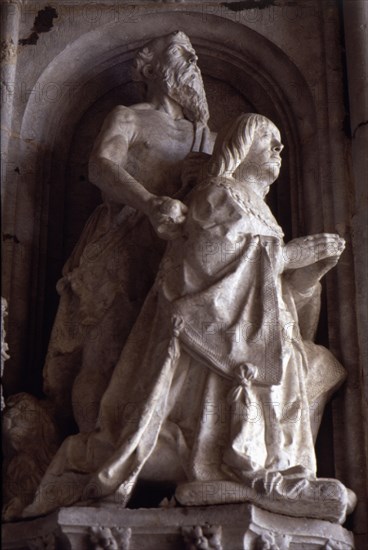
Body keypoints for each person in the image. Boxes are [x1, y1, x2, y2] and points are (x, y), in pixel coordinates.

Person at [23, 113, 355, 523]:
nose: (279, 150)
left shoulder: (262, 211)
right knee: (269, 369)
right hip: (213, 338)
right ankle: (245, 473)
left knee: (321, 367)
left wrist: (310, 271)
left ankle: (276, 470)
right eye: (269, 139)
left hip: (258, 334)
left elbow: (278, 292)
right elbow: (207, 263)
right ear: (242, 144)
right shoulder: (217, 193)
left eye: (281, 144)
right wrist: (287, 257)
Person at [42, 31, 214, 434]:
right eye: (181, 55)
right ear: (151, 68)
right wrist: (151, 202)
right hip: (121, 245)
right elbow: (101, 166)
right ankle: (91, 451)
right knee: (104, 352)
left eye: (194, 58)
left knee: (173, 362)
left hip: (177, 256)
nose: (193, 64)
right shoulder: (128, 116)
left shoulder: (207, 137)